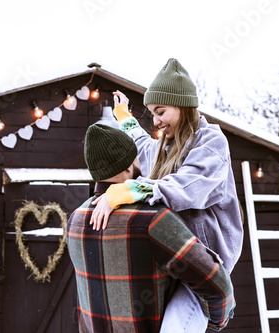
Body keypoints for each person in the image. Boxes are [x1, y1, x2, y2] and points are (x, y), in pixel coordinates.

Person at [90, 58, 243, 331]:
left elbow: (187, 185)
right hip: (172, 254)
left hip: (205, 259)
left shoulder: (212, 142)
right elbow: (142, 146)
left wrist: (129, 189)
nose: (156, 121)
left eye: (161, 112)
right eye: (152, 114)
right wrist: (125, 117)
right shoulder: (166, 145)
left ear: (183, 106)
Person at [67, 123, 235, 332]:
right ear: (128, 167)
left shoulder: (75, 219)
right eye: (137, 157)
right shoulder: (154, 219)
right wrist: (217, 320)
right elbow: (215, 283)